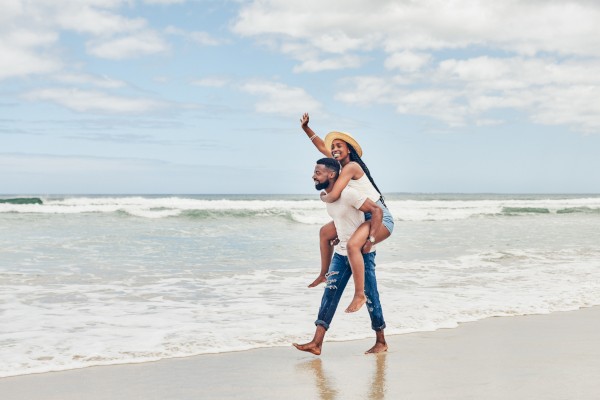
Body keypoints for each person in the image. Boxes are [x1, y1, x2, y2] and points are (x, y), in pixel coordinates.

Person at [300, 113, 394, 313]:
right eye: (332, 147)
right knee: (325, 233)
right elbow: (320, 147)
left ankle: (359, 295)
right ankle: (323, 274)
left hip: (380, 218)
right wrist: (306, 129)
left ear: (348, 150)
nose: (334, 149)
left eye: (338, 146)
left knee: (353, 246)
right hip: (361, 216)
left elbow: (333, 195)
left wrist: (323, 197)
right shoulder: (339, 166)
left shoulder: (351, 167)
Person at [293, 158, 388, 355]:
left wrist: (370, 240)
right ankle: (317, 343)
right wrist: (338, 238)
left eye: (318, 172)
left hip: (362, 254)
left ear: (331, 174)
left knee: (371, 296)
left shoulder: (349, 194)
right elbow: (341, 221)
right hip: (341, 254)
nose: (313, 176)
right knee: (330, 294)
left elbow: (376, 211)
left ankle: (381, 341)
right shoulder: (330, 199)